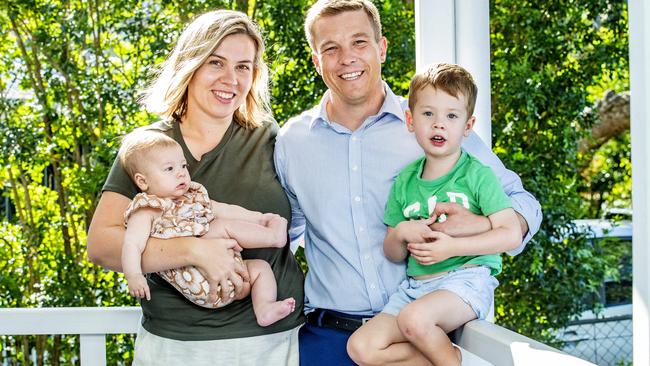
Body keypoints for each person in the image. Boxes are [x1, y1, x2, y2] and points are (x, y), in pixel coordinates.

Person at [273, 0, 542, 364]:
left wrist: (480, 225)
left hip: (421, 337)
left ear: (381, 48)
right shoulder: (293, 142)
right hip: (326, 339)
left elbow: (520, 201)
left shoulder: (431, 123)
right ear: (316, 61)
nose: (347, 58)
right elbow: (286, 234)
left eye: (359, 42)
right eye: (331, 48)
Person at [87, 9, 304, 365]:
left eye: (243, 66)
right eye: (216, 63)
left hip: (271, 343)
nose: (230, 79)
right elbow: (101, 244)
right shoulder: (148, 150)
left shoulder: (272, 140)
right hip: (174, 346)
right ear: (192, 64)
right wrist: (193, 250)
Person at [346, 63, 522, 366]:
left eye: (451, 116)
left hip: (466, 280)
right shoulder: (405, 181)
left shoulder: (478, 176)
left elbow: (510, 234)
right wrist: (402, 232)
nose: (439, 125)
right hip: (416, 287)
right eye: (428, 114)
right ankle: (451, 358)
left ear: (468, 126)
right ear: (410, 120)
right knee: (361, 347)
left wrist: (452, 247)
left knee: (415, 320)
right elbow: (392, 252)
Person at [118, 129, 295, 327]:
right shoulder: (149, 208)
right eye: (169, 169)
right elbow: (132, 244)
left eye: (183, 166)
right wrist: (133, 275)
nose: (181, 173)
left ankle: (265, 308)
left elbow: (224, 209)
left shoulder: (192, 196)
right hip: (200, 282)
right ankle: (272, 237)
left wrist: (260, 218)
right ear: (142, 181)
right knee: (220, 226)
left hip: (236, 277)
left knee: (260, 268)